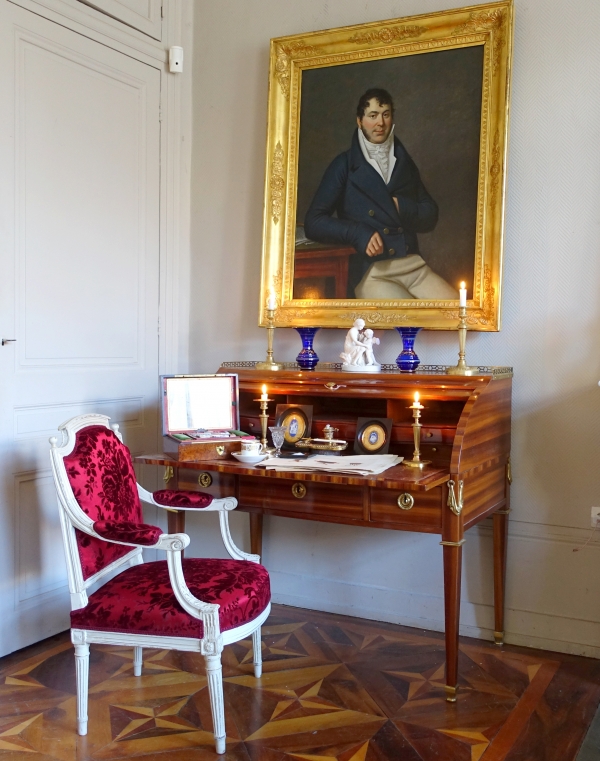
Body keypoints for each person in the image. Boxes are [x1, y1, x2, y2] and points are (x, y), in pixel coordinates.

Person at [304, 88, 458, 300]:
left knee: (453, 311)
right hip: (372, 272)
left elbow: (430, 214)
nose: (380, 123)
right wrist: (358, 233)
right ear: (360, 121)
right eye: (373, 115)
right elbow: (314, 221)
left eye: (386, 114)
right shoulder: (344, 165)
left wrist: (400, 207)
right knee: (409, 322)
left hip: (413, 266)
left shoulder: (404, 162)